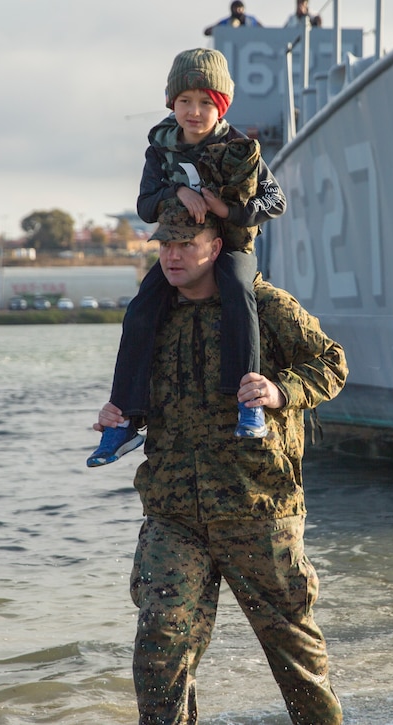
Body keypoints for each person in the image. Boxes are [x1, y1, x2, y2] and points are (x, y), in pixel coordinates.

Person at [95, 210, 347, 724]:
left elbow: (332, 364)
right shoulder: (152, 314)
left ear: (216, 246)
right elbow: (146, 396)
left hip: (256, 506)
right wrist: (120, 414)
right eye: (165, 245)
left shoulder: (263, 305)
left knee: (292, 651)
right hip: (173, 512)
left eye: (186, 244)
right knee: (161, 635)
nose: (172, 255)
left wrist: (281, 391)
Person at [88, 47, 287, 467]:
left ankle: (248, 403)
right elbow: (145, 205)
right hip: (180, 245)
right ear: (171, 102)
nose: (194, 112)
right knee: (141, 309)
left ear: (221, 106)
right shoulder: (160, 147)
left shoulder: (238, 146)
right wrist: (177, 191)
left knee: (238, 294)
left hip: (230, 244)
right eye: (184, 101)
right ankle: (125, 419)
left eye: (205, 102)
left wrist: (225, 211)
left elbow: (275, 201)